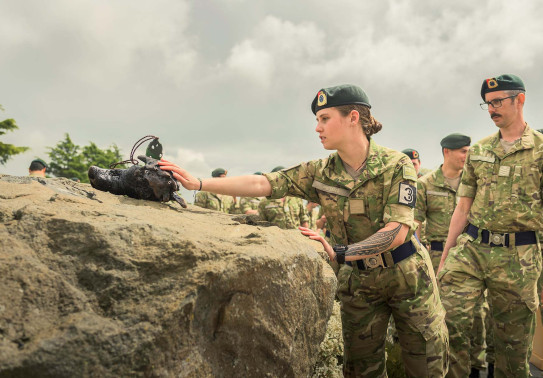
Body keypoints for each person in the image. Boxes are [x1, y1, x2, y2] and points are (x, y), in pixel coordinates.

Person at [159, 84, 448, 377]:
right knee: (362, 371)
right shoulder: (320, 172)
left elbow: (397, 230)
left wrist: (341, 252)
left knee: (426, 367)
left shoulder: (396, 165)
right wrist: (198, 183)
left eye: (324, 118)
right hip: (359, 284)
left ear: (353, 117)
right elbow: (263, 184)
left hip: (408, 278)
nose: (317, 127)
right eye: (317, 120)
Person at [437, 74, 543, 377]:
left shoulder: (540, 149)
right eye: (488, 104)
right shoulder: (480, 150)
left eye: (498, 102)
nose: (492, 108)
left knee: (512, 349)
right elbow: (464, 204)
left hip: (518, 258)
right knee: (449, 321)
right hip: (472, 249)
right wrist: (446, 254)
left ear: (519, 100)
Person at [415, 133, 490, 376]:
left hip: (472, 256)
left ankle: (477, 367)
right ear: (447, 151)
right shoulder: (425, 184)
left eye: (469, 151)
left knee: (478, 314)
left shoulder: (474, 183)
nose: (467, 157)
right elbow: (414, 225)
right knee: (443, 315)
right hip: (437, 257)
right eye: (463, 152)